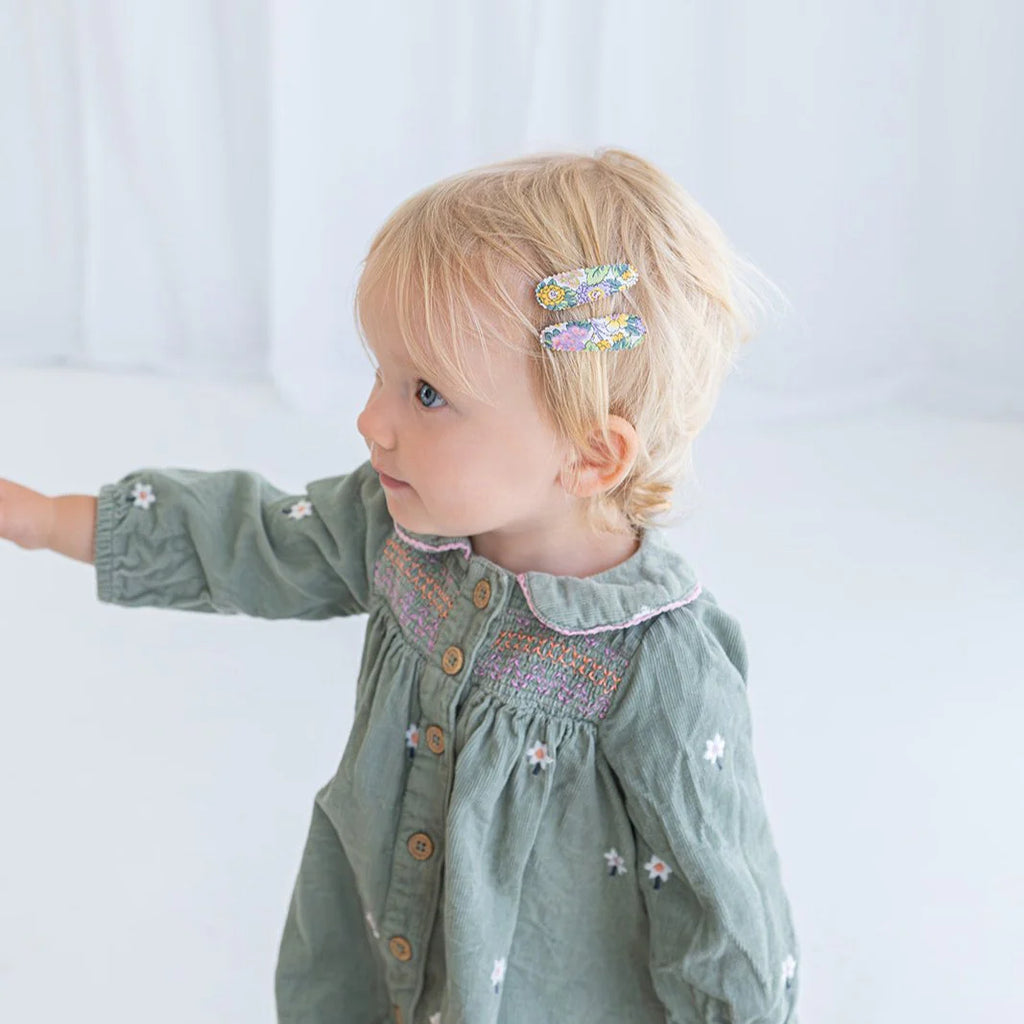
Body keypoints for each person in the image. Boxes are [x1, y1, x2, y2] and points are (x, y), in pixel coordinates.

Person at [0, 148, 801, 1023]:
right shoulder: (405, 532)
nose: (370, 421)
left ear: (589, 452)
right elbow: (251, 540)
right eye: (380, 373)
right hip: (372, 962)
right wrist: (45, 521)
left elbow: (722, 916)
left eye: (426, 393)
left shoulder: (659, 669)